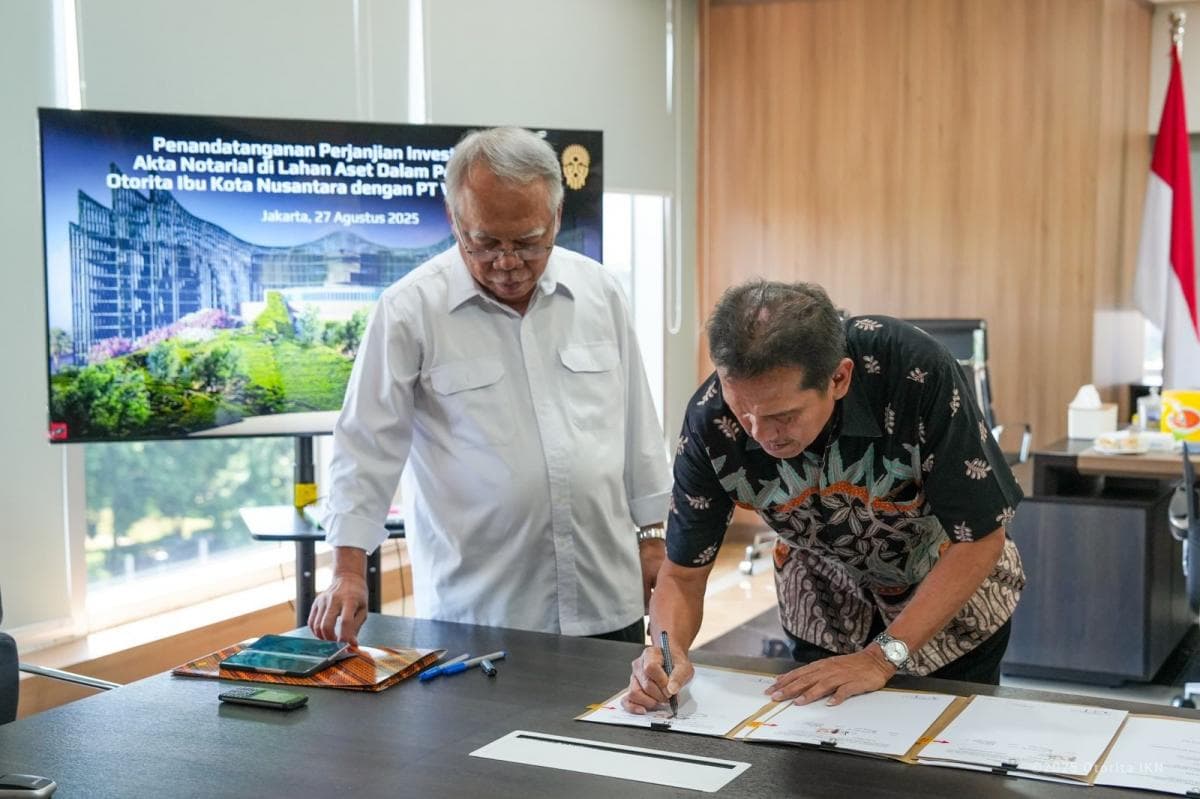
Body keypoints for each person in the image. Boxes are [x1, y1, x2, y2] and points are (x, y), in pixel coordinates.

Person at [308, 126, 670, 646]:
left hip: (605, 599)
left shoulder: (599, 293)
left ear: (556, 218)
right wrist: (346, 570)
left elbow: (637, 425)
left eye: (528, 243)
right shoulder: (410, 309)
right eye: (485, 243)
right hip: (479, 611)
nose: (507, 262)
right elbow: (366, 445)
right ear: (454, 221)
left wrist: (652, 539)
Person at [624, 280, 1025, 712]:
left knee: (944, 756)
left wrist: (880, 657)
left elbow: (980, 538)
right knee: (824, 759)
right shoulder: (710, 420)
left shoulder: (915, 370)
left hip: (944, 593)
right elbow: (683, 575)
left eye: (783, 416)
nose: (760, 436)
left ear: (839, 378)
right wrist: (666, 653)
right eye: (744, 412)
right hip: (824, 602)